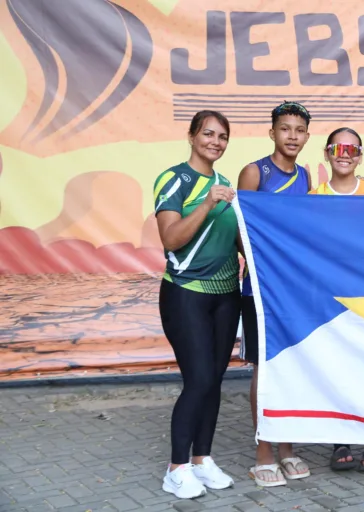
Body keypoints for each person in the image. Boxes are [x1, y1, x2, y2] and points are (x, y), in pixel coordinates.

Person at [154, 110, 240, 499]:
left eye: (222, 136)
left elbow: (238, 243)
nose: (215, 142)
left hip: (227, 296)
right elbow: (171, 239)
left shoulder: (226, 183)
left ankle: (202, 459)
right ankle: (176, 468)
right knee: (200, 378)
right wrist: (206, 203)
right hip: (185, 293)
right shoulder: (175, 179)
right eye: (208, 134)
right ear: (191, 136)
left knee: (215, 380)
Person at [237, 101, 313, 487]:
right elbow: (240, 232)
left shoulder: (305, 176)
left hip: (292, 289)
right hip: (259, 289)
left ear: (307, 136)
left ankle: (288, 448)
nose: (292, 136)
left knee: (290, 364)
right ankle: (263, 450)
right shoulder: (255, 172)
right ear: (272, 133)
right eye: (285, 129)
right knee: (264, 367)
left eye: (299, 130)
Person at [310, 127, 364, 472]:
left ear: (360, 156)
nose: (344, 154)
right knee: (338, 366)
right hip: (329, 296)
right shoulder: (311, 197)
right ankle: (341, 438)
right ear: (327, 153)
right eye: (337, 148)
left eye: (352, 149)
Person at [310, 127, 364, 196]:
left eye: (353, 150)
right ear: (326, 154)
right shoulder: (314, 197)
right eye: (337, 149)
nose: (345, 155)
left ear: (360, 157)